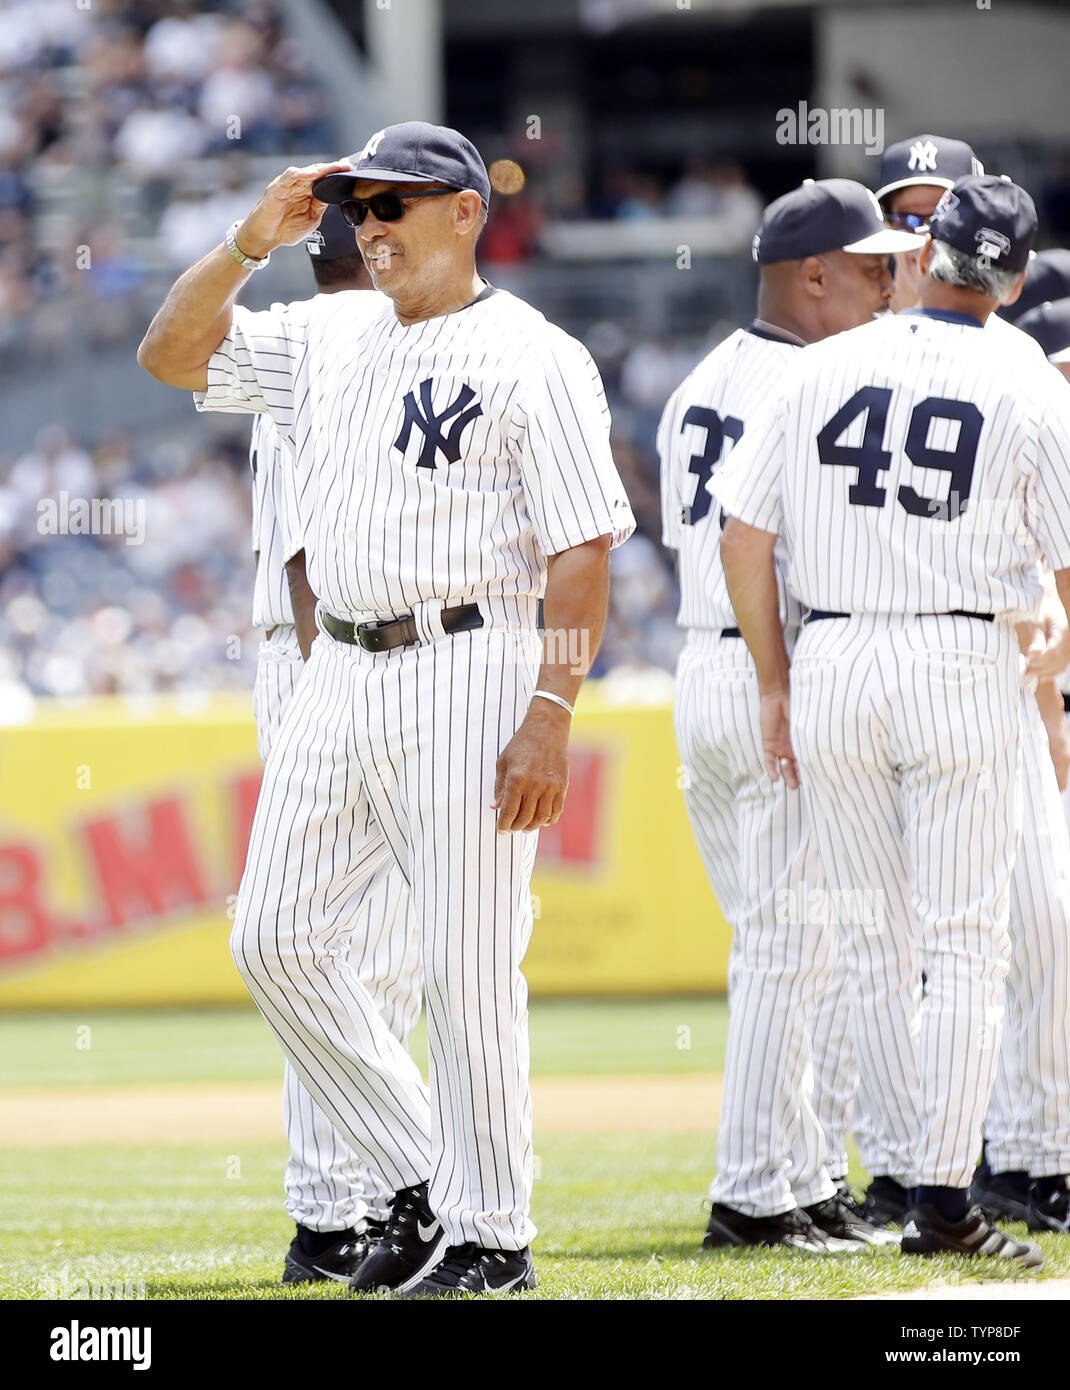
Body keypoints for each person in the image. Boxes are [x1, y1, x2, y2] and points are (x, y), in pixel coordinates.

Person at [138, 121, 635, 1297]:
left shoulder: (532, 353)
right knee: (272, 936)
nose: (373, 226)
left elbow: (580, 549)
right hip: (336, 668)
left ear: (465, 212)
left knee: (465, 972)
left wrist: (551, 707)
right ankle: (419, 1170)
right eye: (361, 207)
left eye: (397, 205)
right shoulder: (324, 332)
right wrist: (244, 242)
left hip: (470, 658)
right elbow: (170, 355)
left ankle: (493, 1237)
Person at [712, 174, 1070, 1270]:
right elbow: (1060, 563)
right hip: (959, 653)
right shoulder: (1023, 377)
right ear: (1008, 280)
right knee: (964, 942)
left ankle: (910, 1174)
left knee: (874, 940)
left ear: (923, 258)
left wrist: (773, 680)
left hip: (828, 652)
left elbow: (740, 531)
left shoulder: (819, 364)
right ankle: (943, 1197)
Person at [658, 178, 922, 1251]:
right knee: (784, 948)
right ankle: (750, 1192)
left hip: (699, 665)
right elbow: (761, 544)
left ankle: (805, 1178)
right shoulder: (815, 384)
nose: (883, 285)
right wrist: (781, 683)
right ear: (810, 274)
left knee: (787, 945)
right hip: (769, 663)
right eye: (867, 269)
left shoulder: (698, 381)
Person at [866, 137, 1070, 1236]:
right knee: (896, 938)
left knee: (1024, 926)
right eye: (900, 210)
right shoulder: (857, 339)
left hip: (990, 662)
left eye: (929, 211)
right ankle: (925, 1166)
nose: (915, 227)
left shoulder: (1015, 336)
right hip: (916, 664)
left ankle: (1016, 1155)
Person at [245, 204, 422, 1285]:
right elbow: (318, 549)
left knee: (325, 950)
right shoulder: (357, 341)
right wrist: (332, 686)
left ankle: (334, 1206)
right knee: (370, 952)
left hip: (299, 643)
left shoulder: (296, 338)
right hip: (332, 648)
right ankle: (344, 1206)